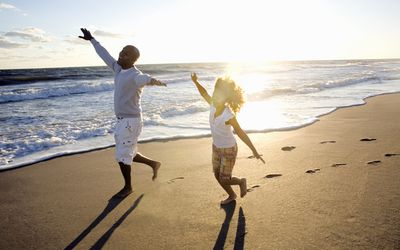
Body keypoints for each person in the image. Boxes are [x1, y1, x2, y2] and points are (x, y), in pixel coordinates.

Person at [79, 28, 166, 198]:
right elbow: (104, 54)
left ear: (133, 59)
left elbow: (145, 79)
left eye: (125, 54)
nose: (121, 54)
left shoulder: (135, 75)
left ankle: (128, 187)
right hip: (122, 121)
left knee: (122, 155)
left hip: (131, 121)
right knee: (128, 152)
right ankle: (154, 163)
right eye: (121, 51)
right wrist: (92, 40)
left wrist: (155, 81)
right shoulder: (118, 69)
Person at [191, 73, 265, 205]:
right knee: (216, 174)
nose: (216, 95)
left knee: (224, 179)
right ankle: (232, 195)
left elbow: (240, 132)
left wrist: (254, 150)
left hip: (229, 149)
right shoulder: (212, 104)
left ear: (226, 98)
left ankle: (241, 181)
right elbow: (204, 93)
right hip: (216, 147)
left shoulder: (228, 115)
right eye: (216, 91)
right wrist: (196, 82)